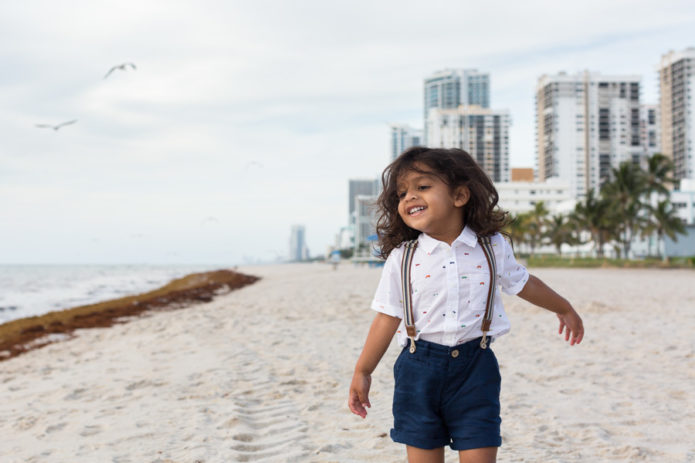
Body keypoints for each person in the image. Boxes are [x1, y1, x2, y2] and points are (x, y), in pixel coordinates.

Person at [348, 147, 584, 463]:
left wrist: (563, 307)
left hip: (477, 368)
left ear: (459, 195)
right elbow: (386, 319)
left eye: (422, 187)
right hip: (418, 371)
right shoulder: (402, 258)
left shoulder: (492, 247)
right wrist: (363, 370)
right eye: (402, 193)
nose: (409, 198)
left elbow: (523, 283)